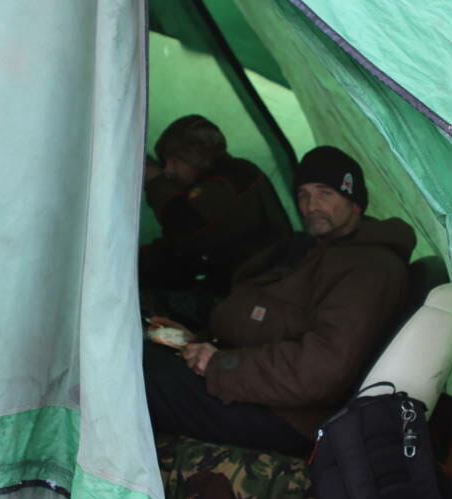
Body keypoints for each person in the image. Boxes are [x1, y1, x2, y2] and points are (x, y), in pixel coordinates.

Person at [144, 145, 416, 457]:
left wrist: (220, 364)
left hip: (288, 417)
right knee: (146, 348)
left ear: (354, 201)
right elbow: (275, 321)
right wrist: (200, 341)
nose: (311, 205)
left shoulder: (370, 269)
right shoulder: (320, 250)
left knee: (137, 373)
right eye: (303, 194)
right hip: (254, 384)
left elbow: (320, 370)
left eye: (325, 193)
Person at [139, 115, 291, 325]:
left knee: (142, 304)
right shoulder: (212, 182)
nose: (169, 171)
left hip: (253, 300)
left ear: (197, 156)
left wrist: (156, 182)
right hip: (235, 290)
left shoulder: (234, 178)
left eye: (174, 161)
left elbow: (184, 227)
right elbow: (180, 252)